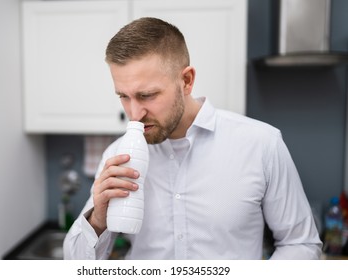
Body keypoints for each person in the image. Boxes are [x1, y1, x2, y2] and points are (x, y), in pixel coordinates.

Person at [63, 17, 322, 260]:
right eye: (123, 96)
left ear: (186, 80)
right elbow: (76, 264)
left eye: (147, 95)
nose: (134, 113)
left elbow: (300, 243)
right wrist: (97, 219)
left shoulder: (262, 144)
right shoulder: (116, 156)